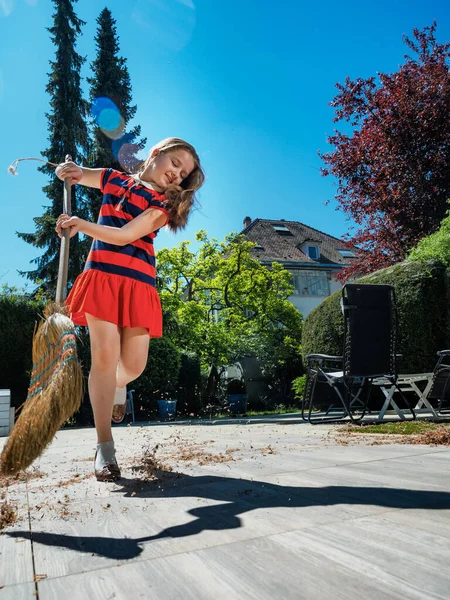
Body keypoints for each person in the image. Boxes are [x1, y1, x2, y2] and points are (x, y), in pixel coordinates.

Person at [55, 138, 205, 482]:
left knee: (133, 366)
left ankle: (117, 387)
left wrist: (80, 225)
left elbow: (124, 235)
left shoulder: (161, 205)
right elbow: (79, 174)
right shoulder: (113, 178)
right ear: (157, 153)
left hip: (137, 285)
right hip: (103, 278)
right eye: (176, 163)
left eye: (184, 174)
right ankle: (105, 448)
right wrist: (69, 171)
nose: (177, 174)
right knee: (104, 358)